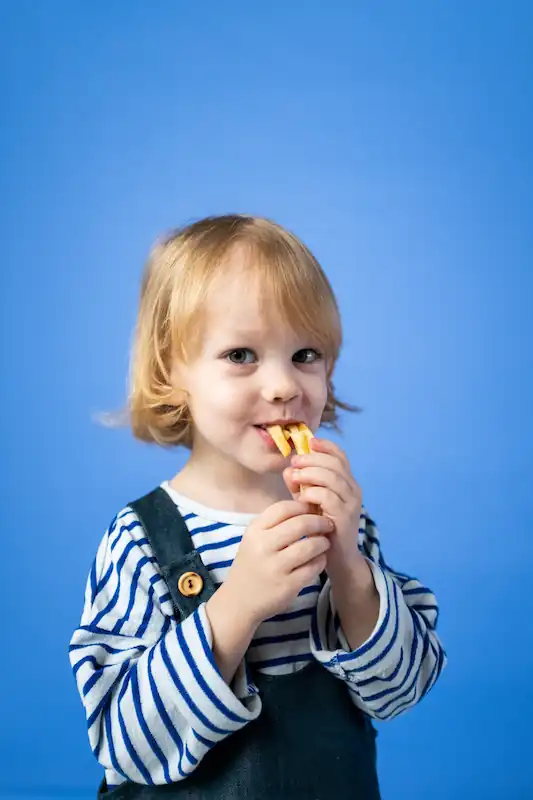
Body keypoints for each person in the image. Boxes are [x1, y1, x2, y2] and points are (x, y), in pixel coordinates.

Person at [69, 214, 446, 799]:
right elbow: (126, 741)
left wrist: (348, 567)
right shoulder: (140, 540)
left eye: (305, 354)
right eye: (241, 354)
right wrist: (238, 604)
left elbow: (401, 691)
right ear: (174, 369)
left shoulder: (344, 525)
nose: (283, 386)